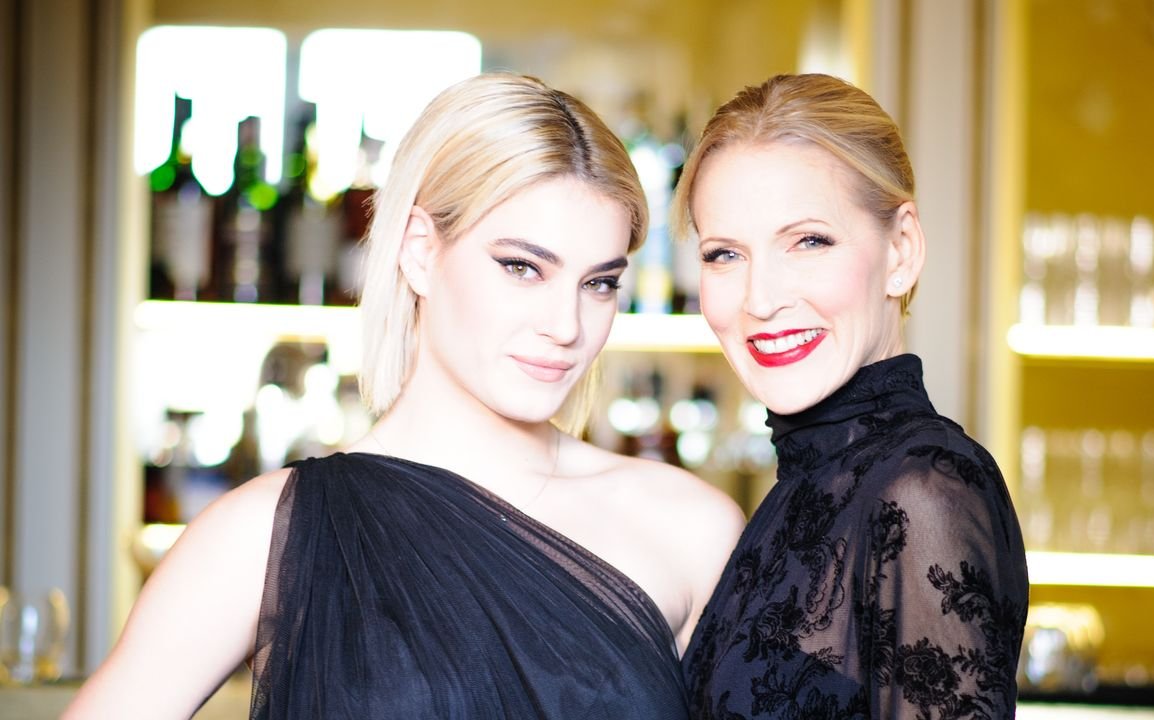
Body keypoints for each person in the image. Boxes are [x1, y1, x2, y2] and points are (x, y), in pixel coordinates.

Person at [66, 72, 743, 719]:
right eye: (522, 267)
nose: (566, 326)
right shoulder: (262, 533)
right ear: (420, 251)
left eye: (598, 283)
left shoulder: (688, 528)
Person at [673, 73, 1029, 719]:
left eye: (809, 241)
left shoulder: (923, 488)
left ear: (901, 250)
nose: (760, 299)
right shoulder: (808, 488)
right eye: (724, 254)